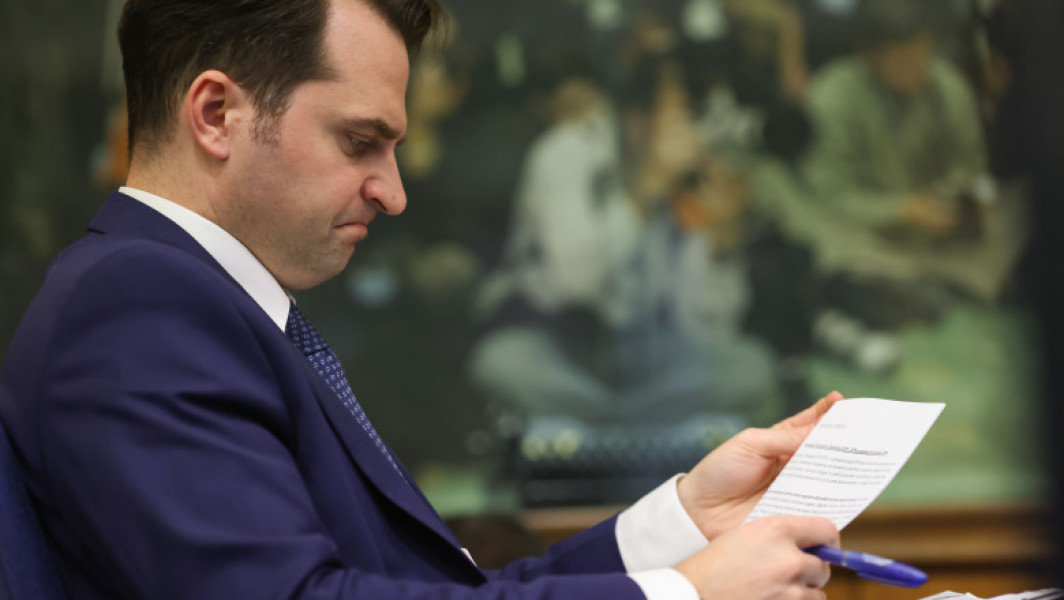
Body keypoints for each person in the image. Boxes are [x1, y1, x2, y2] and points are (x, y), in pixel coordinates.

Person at [0, 0, 841, 598]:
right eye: (359, 141)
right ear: (217, 113)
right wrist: (688, 595)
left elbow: (439, 588)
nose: (393, 193)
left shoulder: (206, 304)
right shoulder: (135, 305)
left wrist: (686, 521)